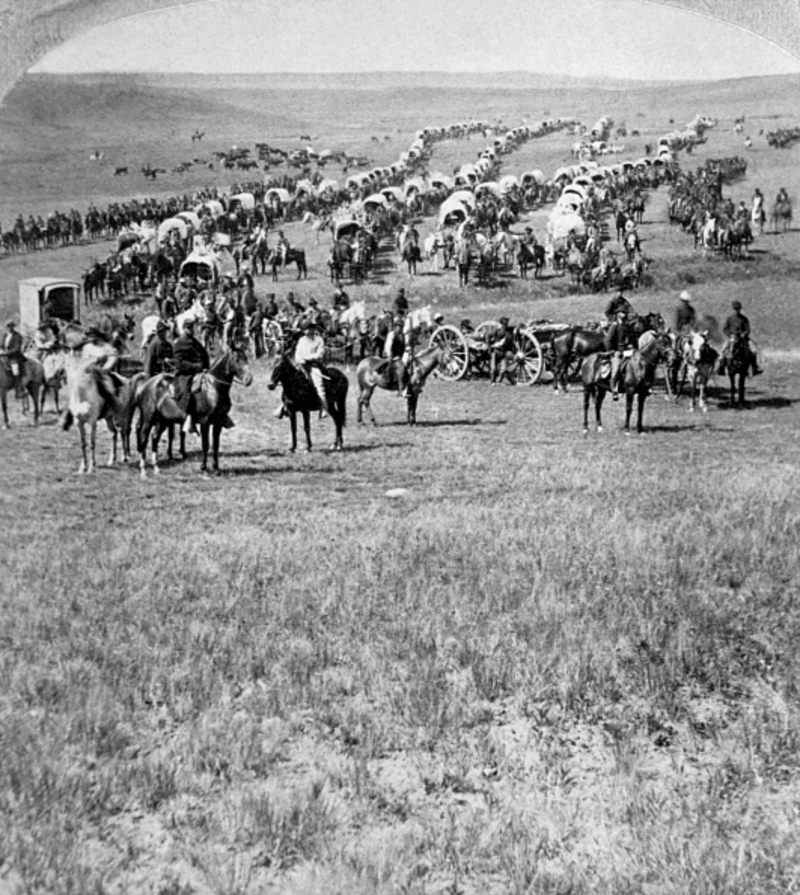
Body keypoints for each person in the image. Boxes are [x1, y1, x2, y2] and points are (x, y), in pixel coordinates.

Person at [172, 318, 210, 433]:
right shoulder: (179, 342)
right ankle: (188, 416)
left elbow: (204, 353)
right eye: (189, 328)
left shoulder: (194, 341)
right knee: (186, 391)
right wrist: (195, 366)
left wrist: (206, 367)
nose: (191, 330)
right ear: (183, 329)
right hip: (185, 373)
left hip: (199, 372)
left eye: (192, 327)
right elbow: (179, 363)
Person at [293, 319, 329, 417]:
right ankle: (284, 406)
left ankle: (324, 408)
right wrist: (299, 360)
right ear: (304, 331)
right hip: (301, 365)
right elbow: (297, 353)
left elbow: (320, 354)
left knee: (319, 385)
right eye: (307, 329)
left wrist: (307, 358)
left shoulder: (319, 340)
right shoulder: (301, 340)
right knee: (291, 383)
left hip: (313, 366)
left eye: (311, 328)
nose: (310, 331)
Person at [719, 300, 762, 376]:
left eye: (738, 309)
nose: (737, 311)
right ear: (733, 309)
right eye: (736, 309)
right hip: (732, 338)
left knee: (753, 349)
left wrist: (744, 334)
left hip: (743, 338)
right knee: (723, 350)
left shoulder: (744, 319)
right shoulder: (730, 318)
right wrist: (730, 335)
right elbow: (725, 329)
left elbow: (748, 329)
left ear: (740, 309)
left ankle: (755, 367)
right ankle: (721, 367)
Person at [607, 308, 636, 399]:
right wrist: (613, 351)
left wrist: (631, 345)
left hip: (628, 351)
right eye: (622, 312)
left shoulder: (627, 326)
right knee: (616, 369)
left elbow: (631, 338)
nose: (624, 314)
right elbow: (608, 340)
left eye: (625, 313)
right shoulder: (614, 326)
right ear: (618, 314)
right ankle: (614, 390)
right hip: (618, 352)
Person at [383, 319, 409, 397]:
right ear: (395, 327)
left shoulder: (403, 336)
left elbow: (404, 346)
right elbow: (388, 345)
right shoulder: (392, 334)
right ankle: (401, 390)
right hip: (393, 357)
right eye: (399, 326)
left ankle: (410, 386)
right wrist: (390, 355)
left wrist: (408, 349)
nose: (400, 328)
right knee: (401, 368)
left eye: (401, 327)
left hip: (400, 357)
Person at [2, 321, 26, 397]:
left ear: (13, 327)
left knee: (15, 371)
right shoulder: (5, 335)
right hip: (4, 356)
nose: (9, 328)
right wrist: (1, 350)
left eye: (11, 326)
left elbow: (17, 348)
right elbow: (1, 345)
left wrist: (6, 353)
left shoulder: (18, 336)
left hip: (14, 356)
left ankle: (19, 390)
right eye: (8, 326)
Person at [489, 317, 516, 386]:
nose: (505, 325)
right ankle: (492, 382)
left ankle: (499, 382)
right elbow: (488, 335)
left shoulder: (508, 332)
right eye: (504, 323)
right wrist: (489, 346)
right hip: (495, 350)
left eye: (506, 323)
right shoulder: (498, 330)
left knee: (503, 369)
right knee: (493, 368)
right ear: (501, 324)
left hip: (503, 352)